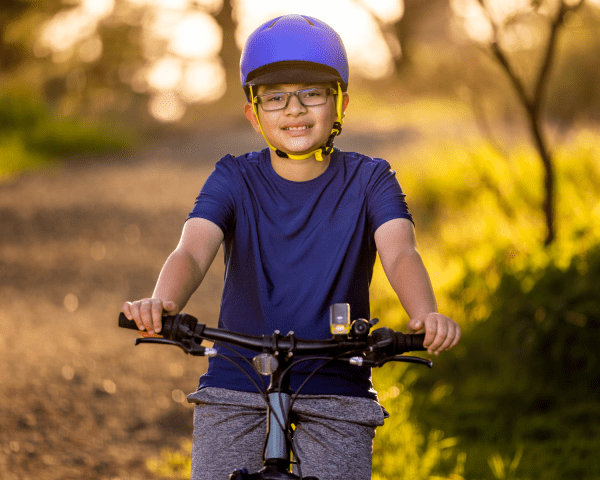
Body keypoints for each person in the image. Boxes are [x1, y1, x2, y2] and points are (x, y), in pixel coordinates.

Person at [121, 14, 461, 480]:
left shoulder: (371, 179)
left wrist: (425, 313)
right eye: (274, 97)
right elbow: (193, 249)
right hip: (237, 379)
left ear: (340, 103)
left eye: (313, 93)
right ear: (253, 112)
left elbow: (400, 251)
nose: (294, 109)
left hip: (337, 382)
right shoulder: (234, 176)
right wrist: (164, 302)